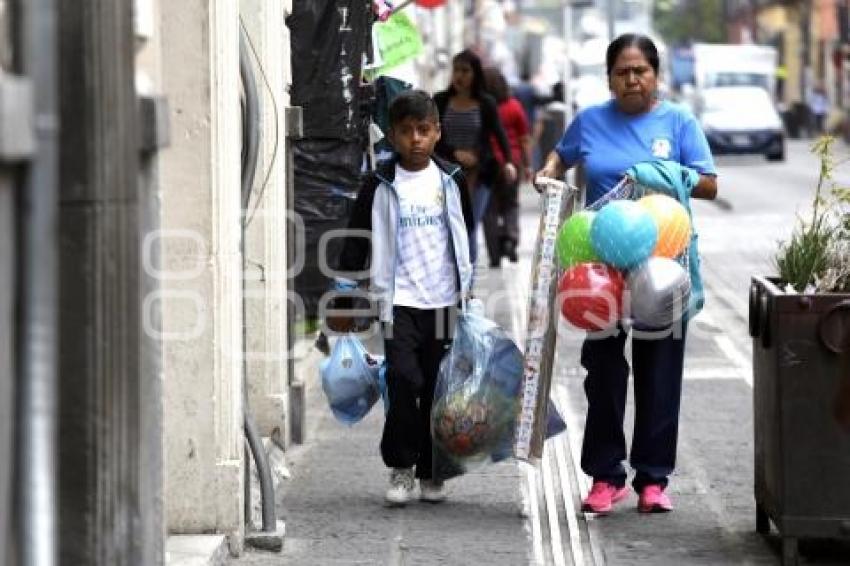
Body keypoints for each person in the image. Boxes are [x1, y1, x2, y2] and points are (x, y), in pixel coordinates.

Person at [536, 33, 718, 514]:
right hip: (602, 270)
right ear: (610, 78)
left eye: (641, 70)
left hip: (663, 267)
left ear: (656, 76)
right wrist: (547, 172)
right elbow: (562, 153)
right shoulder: (591, 120)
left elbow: (710, 184)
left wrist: (665, 174)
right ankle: (604, 475)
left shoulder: (679, 122)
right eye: (623, 71)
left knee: (660, 375)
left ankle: (654, 480)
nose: (632, 78)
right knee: (604, 375)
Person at [329, 90, 473, 506]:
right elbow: (358, 237)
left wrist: (470, 290)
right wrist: (345, 287)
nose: (415, 139)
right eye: (406, 131)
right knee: (403, 379)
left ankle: (432, 471)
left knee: (437, 388)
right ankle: (401, 466)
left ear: (437, 133)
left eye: (423, 131)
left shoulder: (451, 179)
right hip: (399, 304)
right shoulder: (378, 183)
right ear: (392, 135)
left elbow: (465, 235)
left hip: (445, 303)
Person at [434, 49, 516, 266]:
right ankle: (451, 275)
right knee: (450, 224)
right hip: (447, 173)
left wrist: (508, 162)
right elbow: (433, 136)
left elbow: (499, 134)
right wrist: (454, 153)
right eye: (456, 70)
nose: (459, 76)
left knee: (469, 223)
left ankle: (467, 282)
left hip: (480, 175)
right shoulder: (440, 101)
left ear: (475, 74)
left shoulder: (486, 103)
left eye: (465, 71)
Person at [483, 66, 533, 266]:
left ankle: (494, 253)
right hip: (513, 162)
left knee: (490, 209)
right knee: (511, 204)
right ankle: (511, 239)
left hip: (488, 164)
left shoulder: (482, 107)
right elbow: (524, 139)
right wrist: (528, 165)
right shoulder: (514, 106)